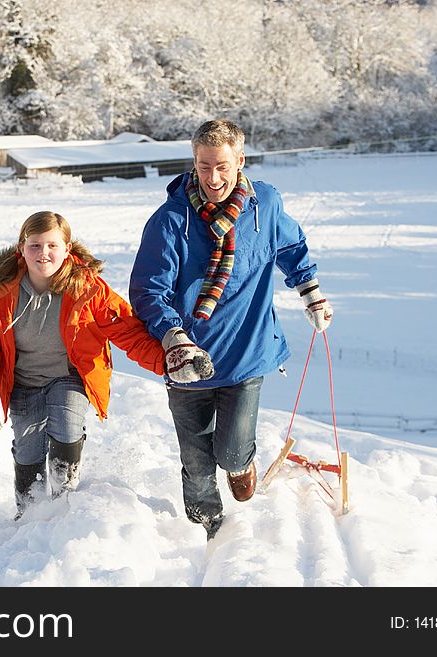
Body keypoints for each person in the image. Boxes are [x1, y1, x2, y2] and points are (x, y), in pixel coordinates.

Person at [129, 119, 333, 540]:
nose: (213, 177)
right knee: (196, 459)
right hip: (188, 359)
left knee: (230, 451)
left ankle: (242, 463)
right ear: (194, 162)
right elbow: (149, 290)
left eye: (222, 166)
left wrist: (310, 291)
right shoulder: (171, 220)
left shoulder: (266, 205)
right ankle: (207, 532)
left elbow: (290, 246)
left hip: (247, 352)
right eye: (204, 166)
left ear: (240, 161)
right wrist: (174, 337)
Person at [0, 210, 213, 519]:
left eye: (53, 245)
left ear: (67, 249)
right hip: (24, 381)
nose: (44, 254)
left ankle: (64, 505)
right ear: (21, 247)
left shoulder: (88, 288)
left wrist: (169, 362)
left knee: (67, 426)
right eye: (36, 245)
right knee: (28, 447)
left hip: (69, 376)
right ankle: (28, 513)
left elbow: (128, 331)